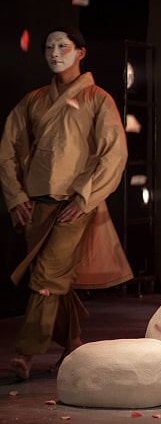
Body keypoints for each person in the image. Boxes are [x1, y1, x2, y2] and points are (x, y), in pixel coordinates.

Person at [0, 26, 131, 380]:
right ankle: (73, 343)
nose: (55, 53)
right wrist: (15, 196)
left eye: (63, 46)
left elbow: (114, 153)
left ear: (80, 52)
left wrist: (85, 196)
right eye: (49, 47)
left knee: (46, 275)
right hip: (35, 201)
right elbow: (8, 146)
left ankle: (26, 352)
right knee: (52, 279)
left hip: (74, 204)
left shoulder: (97, 99)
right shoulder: (34, 99)